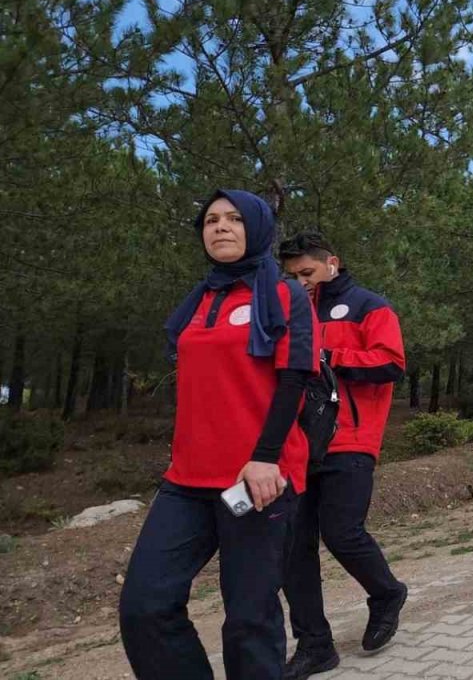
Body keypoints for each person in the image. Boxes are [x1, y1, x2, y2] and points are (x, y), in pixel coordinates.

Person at [119, 190, 318, 680]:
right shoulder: (199, 300)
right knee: (145, 605)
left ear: (257, 227)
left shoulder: (284, 295)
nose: (220, 227)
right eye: (210, 220)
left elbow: (295, 377)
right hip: (187, 479)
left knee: (249, 620)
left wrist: (266, 457)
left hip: (257, 479)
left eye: (233, 218)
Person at [277, 232, 408, 677]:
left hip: (351, 439)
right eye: (292, 276)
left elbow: (391, 364)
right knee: (294, 546)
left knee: (342, 532)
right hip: (295, 445)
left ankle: (386, 592)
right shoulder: (293, 309)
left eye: (307, 273)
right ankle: (315, 645)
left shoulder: (369, 305)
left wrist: (327, 354)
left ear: (332, 262)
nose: (300, 283)